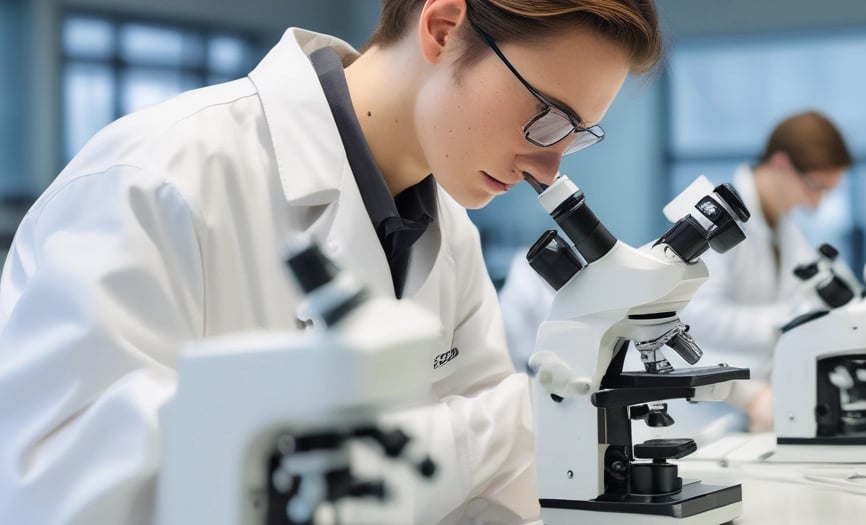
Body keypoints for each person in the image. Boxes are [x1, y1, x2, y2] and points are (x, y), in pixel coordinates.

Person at [0, 1, 662, 523]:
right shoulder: (158, 177)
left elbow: (495, 489)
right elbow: (66, 493)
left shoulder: (448, 236)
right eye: (545, 117)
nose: (547, 168)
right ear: (444, 26)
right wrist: (487, 431)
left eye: (577, 137)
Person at [500, 110, 851, 434]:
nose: (817, 204)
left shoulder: (788, 233)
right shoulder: (721, 234)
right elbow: (700, 318)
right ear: (781, 164)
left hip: (748, 405)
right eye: (816, 187)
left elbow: (818, 298)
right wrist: (787, 323)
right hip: (699, 414)